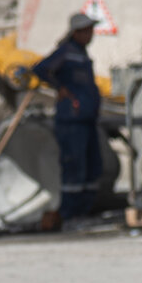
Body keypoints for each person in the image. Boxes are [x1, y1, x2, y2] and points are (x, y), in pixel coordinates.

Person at [32, 12, 102, 228]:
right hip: (72, 122)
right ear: (77, 32)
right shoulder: (66, 53)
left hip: (87, 120)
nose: (91, 34)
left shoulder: (81, 54)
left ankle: (84, 212)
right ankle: (70, 215)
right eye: (87, 30)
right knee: (75, 168)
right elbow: (40, 68)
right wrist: (60, 88)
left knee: (93, 167)